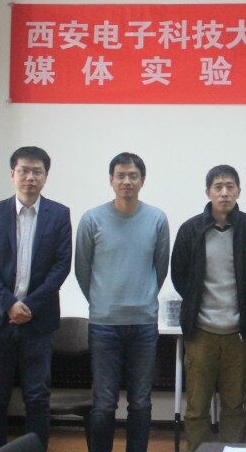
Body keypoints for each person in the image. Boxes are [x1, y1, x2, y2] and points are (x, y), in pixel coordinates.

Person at [0, 146, 72, 452]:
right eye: (24, 170)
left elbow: (61, 266)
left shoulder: (59, 214)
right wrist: (9, 304)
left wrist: (28, 306)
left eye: (37, 171)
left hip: (37, 321)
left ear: (46, 176)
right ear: (12, 174)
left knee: (38, 397)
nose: (30, 177)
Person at [75, 152, 170, 452]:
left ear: (143, 180)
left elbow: (160, 268)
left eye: (133, 175)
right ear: (111, 180)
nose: (127, 181)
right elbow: (82, 270)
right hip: (104, 325)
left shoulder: (157, 219)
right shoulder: (91, 219)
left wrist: (142, 299)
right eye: (121, 175)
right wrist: (103, 302)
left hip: (143, 324)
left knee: (141, 401)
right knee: (104, 402)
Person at [171, 165, 246, 447]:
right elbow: (179, 276)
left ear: (238, 191)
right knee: (197, 407)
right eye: (218, 187)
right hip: (201, 332)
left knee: (235, 405)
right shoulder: (190, 229)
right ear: (208, 192)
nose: (224, 193)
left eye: (230, 187)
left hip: (240, 333)